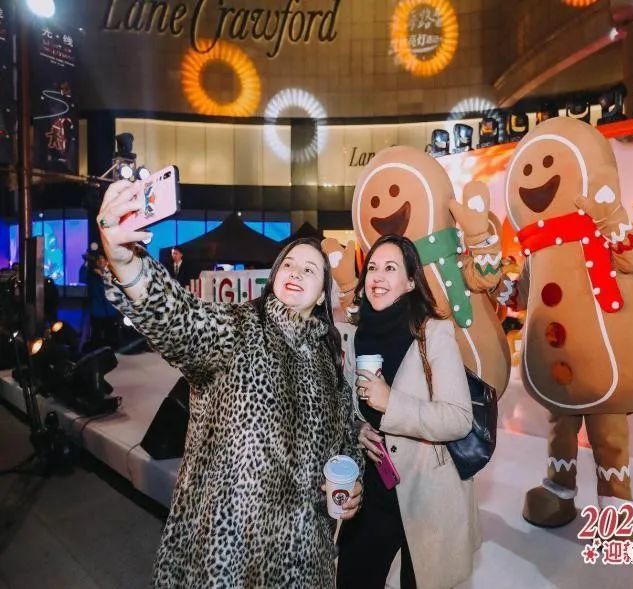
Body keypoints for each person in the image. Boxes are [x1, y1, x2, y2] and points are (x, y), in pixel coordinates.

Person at [96, 179, 364, 588]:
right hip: (228, 558)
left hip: (304, 562)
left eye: (310, 269)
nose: (296, 271)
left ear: (321, 296)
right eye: (288, 264)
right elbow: (179, 319)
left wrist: (354, 482)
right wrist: (127, 264)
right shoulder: (237, 329)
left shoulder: (329, 362)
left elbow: (345, 442)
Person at [337, 234, 479, 589]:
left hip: (427, 487)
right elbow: (352, 406)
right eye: (372, 268)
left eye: (390, 268)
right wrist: (358, 427)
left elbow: (459, 418)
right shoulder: (357, 336)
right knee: (353, 577)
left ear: (411, 281)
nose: (377, 277)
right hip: (375, 483)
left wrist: (391, 403)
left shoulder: (434, 333)